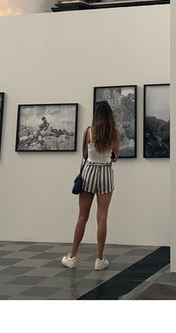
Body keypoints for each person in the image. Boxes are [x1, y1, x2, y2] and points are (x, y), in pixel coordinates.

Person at [61, 101, 120, 271]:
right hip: (106, 175)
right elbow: (115, 157)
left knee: (82, 217)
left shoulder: (89, 131)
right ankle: (100, 260)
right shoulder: (115, 133)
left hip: (88, 174)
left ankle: (72, 257)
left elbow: (85, 154)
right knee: (102, 218)